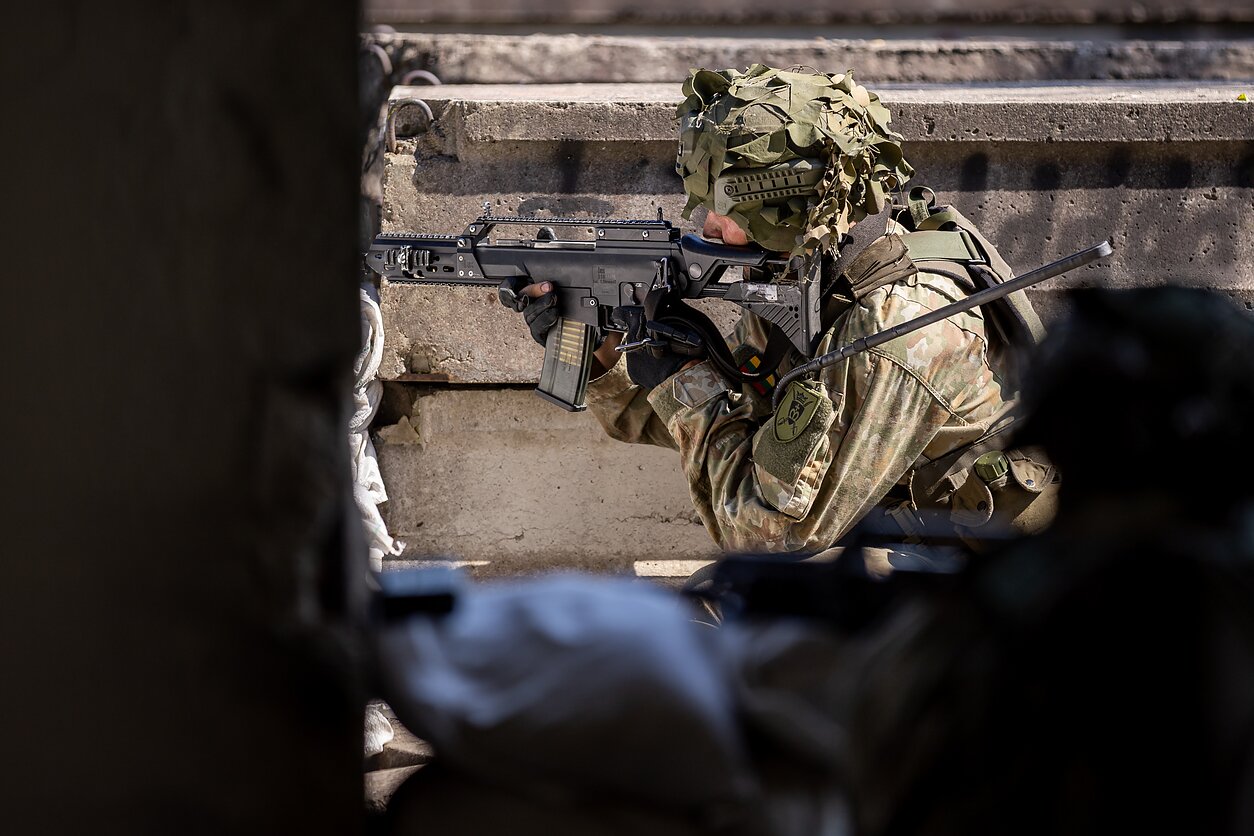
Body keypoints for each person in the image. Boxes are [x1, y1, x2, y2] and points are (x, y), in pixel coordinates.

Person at [508, 64, 1056, 562]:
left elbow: (769, 531)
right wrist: (604, 343)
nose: (706, 230)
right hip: (901, 538)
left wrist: (683, 377)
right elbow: (727, 432)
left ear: (786, 209)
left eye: (725, 211)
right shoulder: (812, 274)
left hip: (993, 580)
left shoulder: (896, 327)